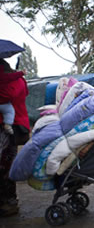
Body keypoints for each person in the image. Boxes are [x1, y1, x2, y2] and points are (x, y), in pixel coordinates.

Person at [0, 59, 30, 217]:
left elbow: (8, 95)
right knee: (6, 165)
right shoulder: (18, 80)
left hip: (9, 129)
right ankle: (8, 201)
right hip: (13, 127)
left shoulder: (14, 82)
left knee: (4, 166)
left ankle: (9, 202)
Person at [0, 62, 25, 135]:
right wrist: (21, 73)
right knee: (9, 111)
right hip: (16, 117)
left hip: (17, 121)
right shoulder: (7, 77)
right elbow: (11, 94)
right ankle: (8, 124)